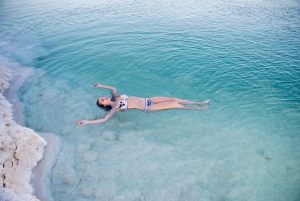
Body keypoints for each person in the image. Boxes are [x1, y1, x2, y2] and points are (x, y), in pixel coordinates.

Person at [77, 84, 210, 126]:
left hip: (148, 100)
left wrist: (101, 86)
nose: (104, 98)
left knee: (172, 98)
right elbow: (104, 119)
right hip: (148, 107)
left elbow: (112, 88)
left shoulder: (116, 97)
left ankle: (199, 102)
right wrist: (87, 122)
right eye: (102, 100)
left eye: (102, 97)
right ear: (104, 105)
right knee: (174, 104)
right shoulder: (115, 108)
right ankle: (198, 109)